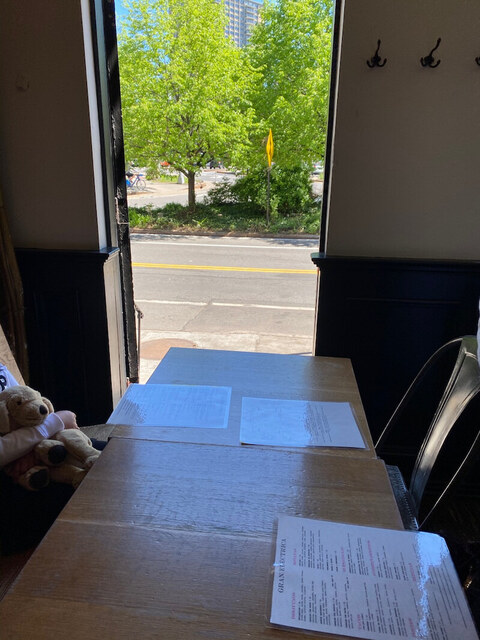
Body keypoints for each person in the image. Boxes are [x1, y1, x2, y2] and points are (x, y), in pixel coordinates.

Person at [0, 362, 106, 554]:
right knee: (92, 493)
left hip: (32, 449)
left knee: (116, 456)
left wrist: (29, 448)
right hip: (11, 482)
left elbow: (22, 402)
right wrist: (55, 422)